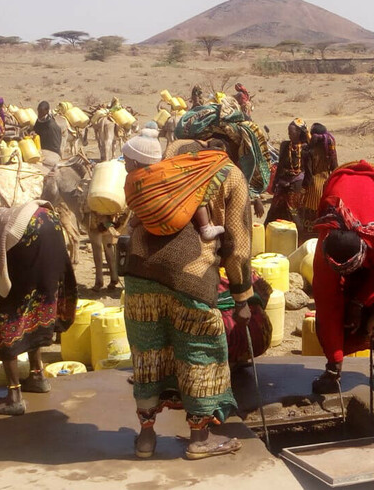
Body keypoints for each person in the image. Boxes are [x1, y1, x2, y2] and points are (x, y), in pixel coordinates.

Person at [122, 138, 253, 459]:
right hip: (191, 278)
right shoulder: (232, 175)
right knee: (201, 355)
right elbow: (238, 245)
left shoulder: (167, 161)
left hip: (139, 275)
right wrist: (242, 297)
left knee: (148, 355)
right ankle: (199, 440)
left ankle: (145, 439)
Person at [311, 161, 374, 395]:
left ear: (366, 251)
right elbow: (327, 304)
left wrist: (360, 302)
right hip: (342, 184)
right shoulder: (326, 249)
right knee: (334, 307)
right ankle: (333, 369)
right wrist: (334, 361)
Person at [0, 200, 77, 415]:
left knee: (9, 313)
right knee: (34, 305)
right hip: (50, 224)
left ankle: (14, 396)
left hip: (26, 231)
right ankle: (37, 376)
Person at [122, 127, 224, 241]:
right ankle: (205, 228)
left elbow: (134, 204)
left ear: (135, 163)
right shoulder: (168, 168)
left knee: (145, 205)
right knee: (194, 188)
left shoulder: (131, 179)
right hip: (178, 221)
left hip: (152, 226)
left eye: (126, 161)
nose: (125, 164)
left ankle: (131, 225)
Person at [264, 118, 309, 231]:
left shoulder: (306, 148)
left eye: (291, 132)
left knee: (295, 213)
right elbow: (280, 166)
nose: (289, 134)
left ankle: (297, 236)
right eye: (288, 131)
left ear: (299, 133)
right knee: (274, 211)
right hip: (282, 183)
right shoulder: (285, 145)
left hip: (297, 184)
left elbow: (308, 169)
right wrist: (275, 183)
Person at [300, 122, 338, 241]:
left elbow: (308, 173)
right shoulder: (330, 149)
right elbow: (335, 167)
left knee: (309, 217)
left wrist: (302, 190)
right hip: (326, 184)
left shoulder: (309, 150)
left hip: (313, 187)